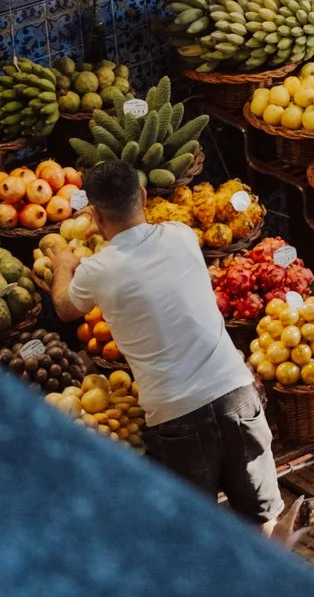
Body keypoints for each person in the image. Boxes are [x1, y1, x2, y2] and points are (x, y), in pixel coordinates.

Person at [48, 162, 280, 526]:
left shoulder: (96, 270)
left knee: (195, 528)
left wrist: (64, 264)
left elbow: (64, 308)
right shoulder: (181, 235)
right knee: (262, 517)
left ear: (94, 214)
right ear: (142, 197)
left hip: (176, 415)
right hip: (235, 392)